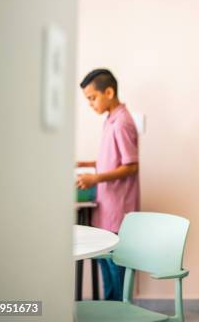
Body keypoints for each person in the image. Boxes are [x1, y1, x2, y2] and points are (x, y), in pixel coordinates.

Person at [76, 68, 140, 301]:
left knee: (117, 273)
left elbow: (131, 165)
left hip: (118, 214)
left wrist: (95, 178)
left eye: (92, 98)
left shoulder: (122, 122)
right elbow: (111, 160)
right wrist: (87, 163)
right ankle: (110, 312)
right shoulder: (110, 120)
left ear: (109, 92)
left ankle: (120, 313)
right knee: (108, 272)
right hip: (107, 212)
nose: (91, 104)